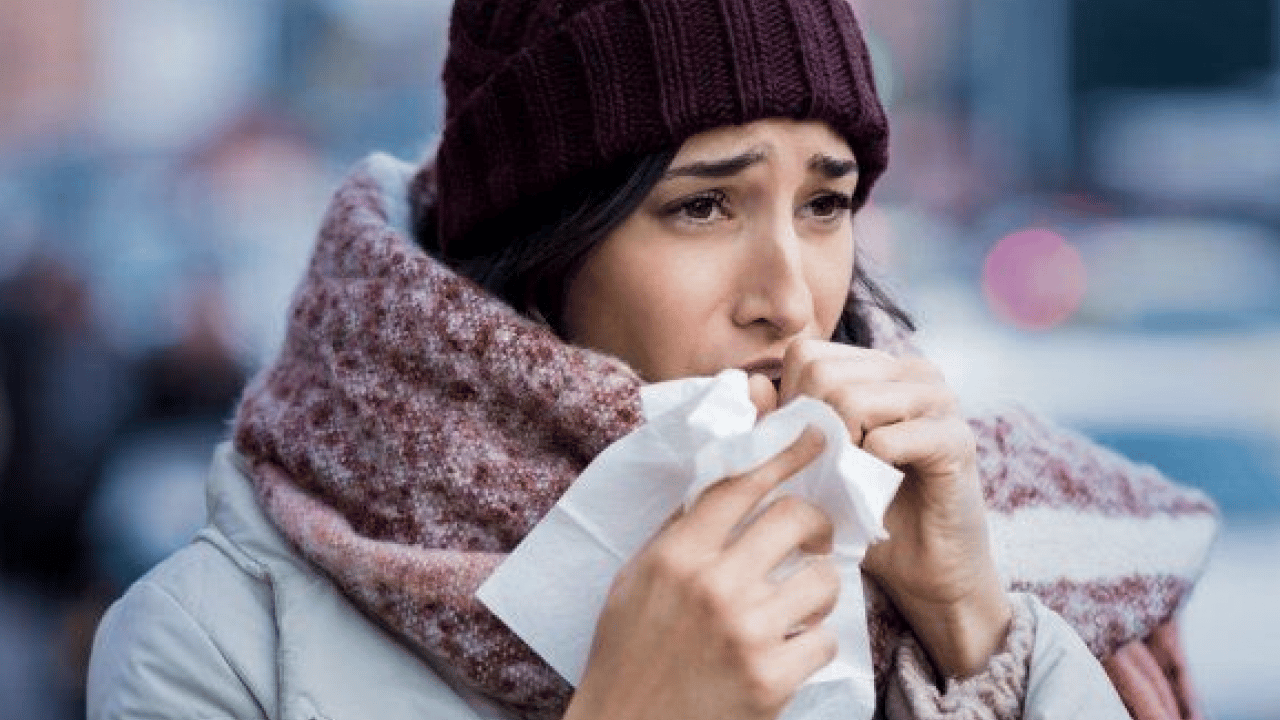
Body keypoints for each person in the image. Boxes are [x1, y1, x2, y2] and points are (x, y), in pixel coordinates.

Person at [87, 0, 1218, 718]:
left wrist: (979, 633)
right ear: (543, 246)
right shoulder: (215, 642)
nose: (789, 298)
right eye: (702, 207)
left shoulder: (971, 536)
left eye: (824, 203)